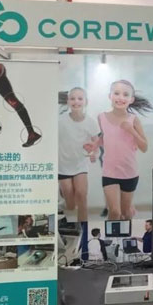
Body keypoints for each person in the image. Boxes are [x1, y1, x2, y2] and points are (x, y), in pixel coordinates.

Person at [85, 80, 152, 221]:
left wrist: (131, 130)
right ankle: (111, 233)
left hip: (129, 172)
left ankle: (126, 230)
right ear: (110, 96)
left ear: (131, 99)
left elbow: (144, 147)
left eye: (125, 95)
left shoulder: (134, 120)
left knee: (126, 213)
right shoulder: (101, 117)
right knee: (115, 212)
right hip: (109, 172)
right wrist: (95, 145)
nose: (120, 97)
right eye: (116, 93)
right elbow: (105, 137)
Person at [58, 87, 100, 260]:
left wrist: (94, 152)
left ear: (85, 102)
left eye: (80, 98)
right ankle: (65, 201)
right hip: (62, 165)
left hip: (80, 164)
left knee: (82, 194)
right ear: (68, 101)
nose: (76, 101)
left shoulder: (90, 122)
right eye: (73, 98)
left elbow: (96, 142)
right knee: (70, 202)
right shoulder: (60, 120)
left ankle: (83, 230)